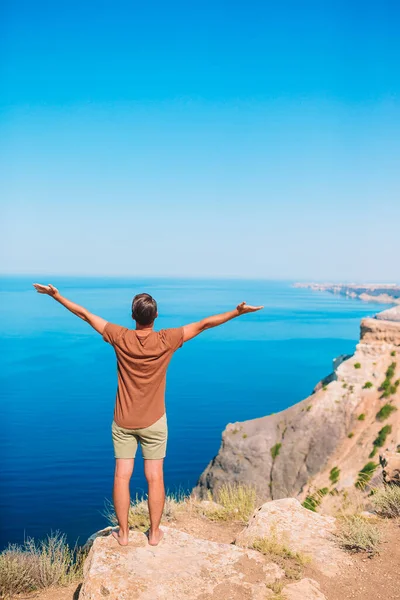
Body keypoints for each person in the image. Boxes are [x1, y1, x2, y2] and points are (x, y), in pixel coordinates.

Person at [33, 282, 263, 546]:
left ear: (133, 317)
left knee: (122, 475)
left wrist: (56, 296)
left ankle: (124, 533)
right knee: (155, 477)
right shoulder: (167, 339)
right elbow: (204, 324)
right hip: (155, 421)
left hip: (123, 421)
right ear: (155, 317)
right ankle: (154, 534)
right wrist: (237, 312)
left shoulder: (120, 336)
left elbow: (84, 315)